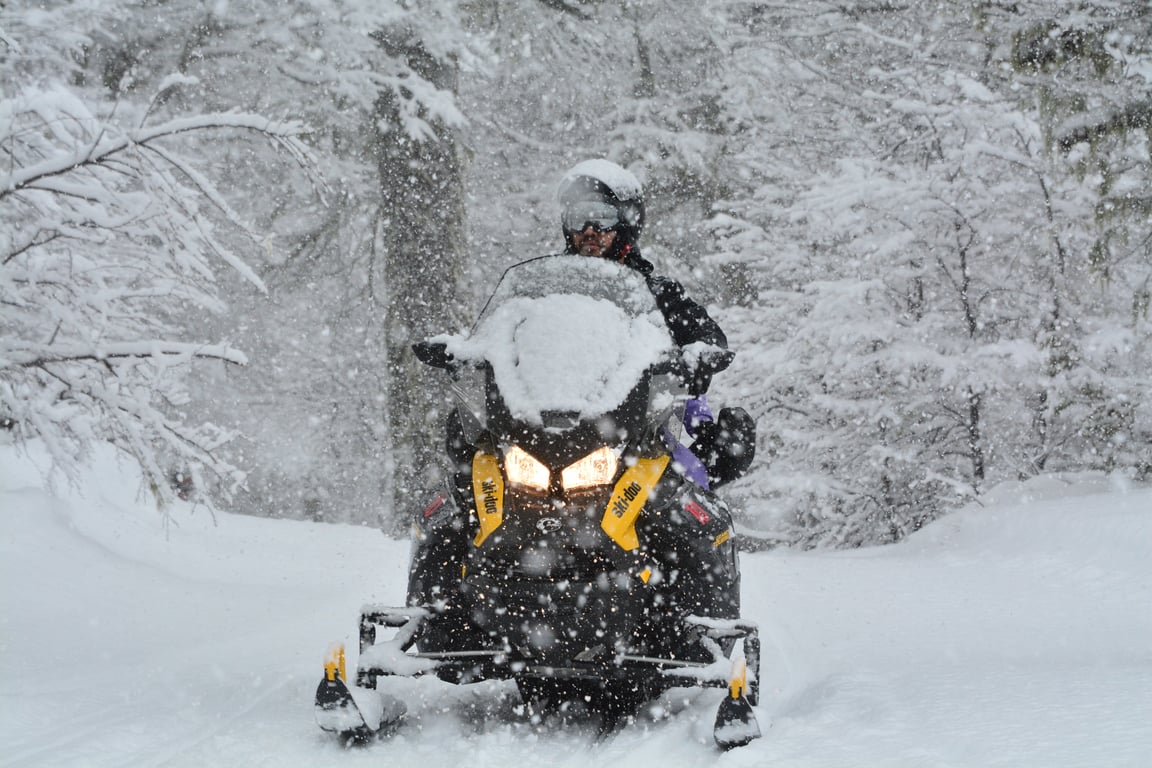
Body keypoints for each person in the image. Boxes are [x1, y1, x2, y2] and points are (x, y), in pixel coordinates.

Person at [555, 159, 755, 489]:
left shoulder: (657, 292)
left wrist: (698, 356)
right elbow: (503, 334)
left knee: (687, 497)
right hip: (549, 428)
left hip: (639, 435)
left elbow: (707, 335)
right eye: (578, 218)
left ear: (625, 224)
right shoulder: (547, 291)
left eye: (602, 217)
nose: (589, 230)